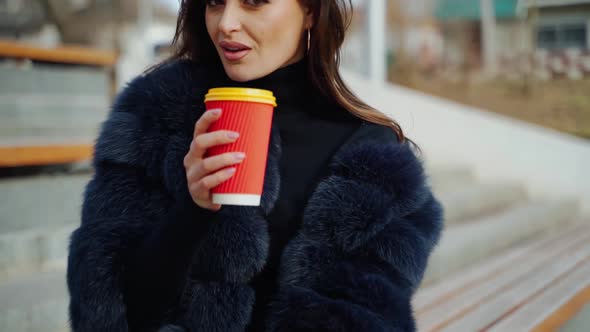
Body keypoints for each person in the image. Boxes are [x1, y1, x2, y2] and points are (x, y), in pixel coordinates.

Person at [66, 0, 444, 331]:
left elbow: (369, 318)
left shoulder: (373, 158)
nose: (226, 22)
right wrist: (192, 211)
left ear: (310, 10)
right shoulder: (156, 115)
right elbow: (110, 310)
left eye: (253, 1)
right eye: (215, 2)